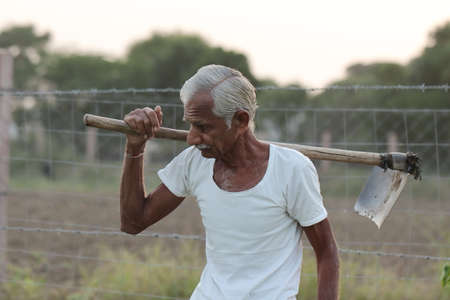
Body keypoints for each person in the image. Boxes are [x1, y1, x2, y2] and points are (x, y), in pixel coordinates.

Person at [120, 65, 339, 300]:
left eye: (203, 127)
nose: (192, 138)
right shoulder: (194, 161)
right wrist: (135, 147)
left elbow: (327, 252)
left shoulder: (291, 169)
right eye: (190, 124)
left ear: (240, 120)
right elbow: (134, 222)